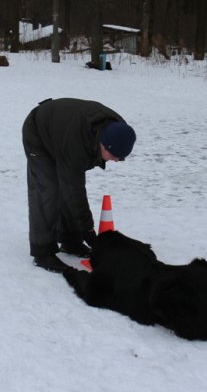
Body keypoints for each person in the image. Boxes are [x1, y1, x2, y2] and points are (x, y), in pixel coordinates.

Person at [22, 98, 136, 273]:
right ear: (103, 144)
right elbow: (74, 189)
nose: (116, 160)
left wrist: (82, 233)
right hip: (39, 132)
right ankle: (43, 251)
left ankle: (71, 241)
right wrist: (88, 231)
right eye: (114, 155)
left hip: (62, 129)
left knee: (67, 188)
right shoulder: (77, 144)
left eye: (120, 157)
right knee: (47, 189)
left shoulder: (118, 129)